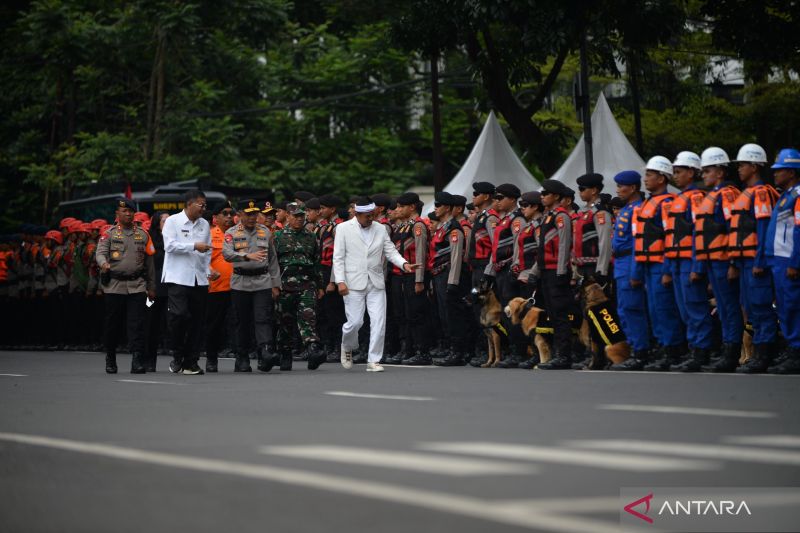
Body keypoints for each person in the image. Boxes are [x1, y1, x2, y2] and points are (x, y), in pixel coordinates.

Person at [333, 197, 417, 372]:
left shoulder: (379, 228)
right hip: (352, 282)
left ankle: (374, 360)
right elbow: (338, 257)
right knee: (355, 322)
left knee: (379, 321)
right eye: (367, 216)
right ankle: (347, 345)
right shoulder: (343, 228)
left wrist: (403, 264)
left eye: (372, 215)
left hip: (376, 281)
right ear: (357, 214)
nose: (370, 218)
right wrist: (340, 281)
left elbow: (390, 250)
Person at [658, 152, 715, 372]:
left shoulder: (696, 197)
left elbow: (699, 234)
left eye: (679, 172)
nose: (675, 176)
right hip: (677, 263)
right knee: (685, 310)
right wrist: (669, 268)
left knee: (696, 308)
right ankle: (694, 349)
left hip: (689, 261)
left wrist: (697, 266)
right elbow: (671, 237)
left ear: (692, 172)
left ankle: (703, 351)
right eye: (674, 172)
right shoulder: (679, 198)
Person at [727, 144, 780, 373]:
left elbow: (763, 228)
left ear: (755, 166)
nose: (739, 169)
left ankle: (765, 353)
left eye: (743, 164)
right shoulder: (745, 193)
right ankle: (758, 353)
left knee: (761, 307)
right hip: (744, 262)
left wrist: (759, 261)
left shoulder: (760, 193)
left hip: (755, 262)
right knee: (750, 308)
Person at [693, 147, 743, 371]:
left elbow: (734, 227)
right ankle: (726, 350)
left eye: (707, 171)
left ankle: (732, 353)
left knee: (730, 308)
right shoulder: (712, 195)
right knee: (722, 308)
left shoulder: (728, 194)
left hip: (724, 260)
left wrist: (733, 262)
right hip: (713, 261)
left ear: (720, 172)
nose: (703, 175)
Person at [634, 157, 686, 368]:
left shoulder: (666, 203)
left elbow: (670, 237)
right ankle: (663, 348)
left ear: (662, 178)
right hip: (647, 265)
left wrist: (666, 269)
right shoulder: (648, 202)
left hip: (659, 265)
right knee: (655, 310)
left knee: (665, 309)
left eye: (649, 175)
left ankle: (673, 350)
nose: (645, 179)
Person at [95, 198, 156, 374]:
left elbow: (150, 263)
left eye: (131, 211)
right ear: (117, 214)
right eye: (124, 211)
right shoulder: (109, 234)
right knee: (113, 324)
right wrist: (103, 263)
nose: (128, 214)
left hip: (137, 285)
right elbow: (100, 253)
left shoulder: (143, 235)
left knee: (137, 324)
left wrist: (152, 287)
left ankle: (137, 360)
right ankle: (111, 357)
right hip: (114, 285)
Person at [223, 199, 282, 373]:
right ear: (239, 214)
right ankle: (242, 357)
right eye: (248, 214)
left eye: (255, 214)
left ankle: (265, 353)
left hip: (262, 281)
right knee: (242, 322)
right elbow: (226, 254)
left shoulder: (264, 231)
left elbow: (272, 259)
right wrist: (247, 256)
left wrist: (275, 284)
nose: (252, 217)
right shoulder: (231, 233)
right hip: (240, 283)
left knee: (263, 318)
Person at [161, 189, 212, 375]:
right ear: (189, 204)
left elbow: (207, 252)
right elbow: (170, 246)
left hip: (199, 279)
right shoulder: (172, 221)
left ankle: (191, 362)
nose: (203, 208)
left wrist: (208, 271)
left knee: (198, 322)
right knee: (179, 316)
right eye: (201, 204)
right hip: (178, 277)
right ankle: (177, 354)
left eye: (205, 205)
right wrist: (193, 246)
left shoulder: (204, 224)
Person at [274, 202, 328, 371]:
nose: (299, 219)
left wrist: (320, 286)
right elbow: (272, 263)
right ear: (288, 217)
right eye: (295, 216)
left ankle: (313, 350)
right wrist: (273, 285)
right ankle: (285, 353)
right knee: (285, 322)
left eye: (301, 216)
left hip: (307, 284)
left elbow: (316, 262)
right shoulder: (278, 236)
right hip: (285, 285)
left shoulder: (311, 237)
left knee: (308, 318)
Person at [608, 170, 651, 370]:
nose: (618, 190)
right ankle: (636, 349)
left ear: (633, 188)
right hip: (621, 264)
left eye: (621, 186)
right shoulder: (627, 208)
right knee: (624, 310)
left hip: (629, 262)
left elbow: (637, 243)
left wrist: (636, 271)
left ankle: (641, 352)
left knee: (633, 309)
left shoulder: (637, 210)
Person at [533, 180, 575, 370]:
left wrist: (561, 271)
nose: (542, 196)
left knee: (560, 314)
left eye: (546, 193)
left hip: (556, 272)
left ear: (556, 196)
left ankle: (564, 355)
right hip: (545, 271)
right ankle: (558, 353)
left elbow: (564, 245)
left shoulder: (561, 216)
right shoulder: (547, 217)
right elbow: (542, 248)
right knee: (552, 313)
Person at [765, 148, 800, 374]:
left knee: (793, 307)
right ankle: (791, 349)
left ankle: (797, 352)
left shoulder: (798, 195)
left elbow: (799, 231)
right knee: (784, 308)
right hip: (777, 261)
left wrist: (795, 263)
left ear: (792, 172)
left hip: (789, 262)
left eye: (780, 170)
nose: (776, 174)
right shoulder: (785, 195)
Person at [427, 192, 470, 366]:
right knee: (444, 315)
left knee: (453, 316)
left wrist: (452, 282)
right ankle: (451, 348)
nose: (435, 208)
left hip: (449, 277)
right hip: (439, 276)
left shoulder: (454, 229)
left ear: (447, 207)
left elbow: (455, 258)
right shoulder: (442, 228)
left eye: (438, 205)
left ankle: (458, 352)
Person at [204, 201, 235, 372]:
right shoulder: (208, 235)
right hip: (216, 288)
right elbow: (201, 260)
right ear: (215, 218)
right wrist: (209, 270)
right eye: (225, 213)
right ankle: (211, 358)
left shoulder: (237, 234)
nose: (229, 217)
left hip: (237, 287)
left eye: (231, 213)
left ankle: (240, 358)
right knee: (213, 325)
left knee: (237, 323)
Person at [144, 210, 170, 372]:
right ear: (156, 223)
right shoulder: (150, 239)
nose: (168, 223)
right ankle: (148, 360)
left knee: (174, 323)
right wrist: (149, 286)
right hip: (154, 288)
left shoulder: (174, 238)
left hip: (172, 287)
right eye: (164, 221)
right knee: (151, 325)